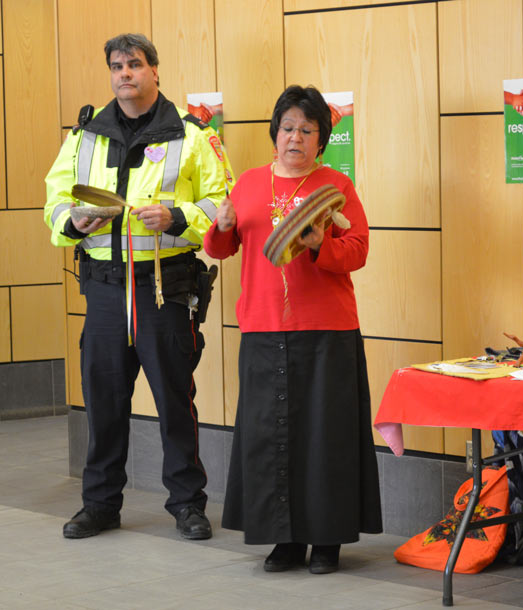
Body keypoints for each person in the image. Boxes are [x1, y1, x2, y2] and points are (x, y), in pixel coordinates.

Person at [44, 33, 234, 540]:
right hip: (104, 288)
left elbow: (223, 204)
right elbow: (54, 199)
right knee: (103, 402)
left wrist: (176, 215)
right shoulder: (85, 136)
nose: (124, 73)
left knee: (175, 400)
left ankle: (188, 505)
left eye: (134, 64)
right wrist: (73, 222)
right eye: (116, 66)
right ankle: (100, 505)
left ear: (155, 71)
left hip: (164, 288)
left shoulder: (192, 136)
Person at [204, 85, 382, 574]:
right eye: (287, 128)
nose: (295, 137)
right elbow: (221, 250)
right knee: (268, 437)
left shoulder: (336, 186)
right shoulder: (249, 185)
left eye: (307, 129)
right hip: (262, 328)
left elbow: (359, 250)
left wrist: (321, 244)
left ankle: (326, 541)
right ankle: (283, 540)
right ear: (274, 134)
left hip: (327, 330)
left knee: (326, 438)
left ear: (321, 139)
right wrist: (219, 227)